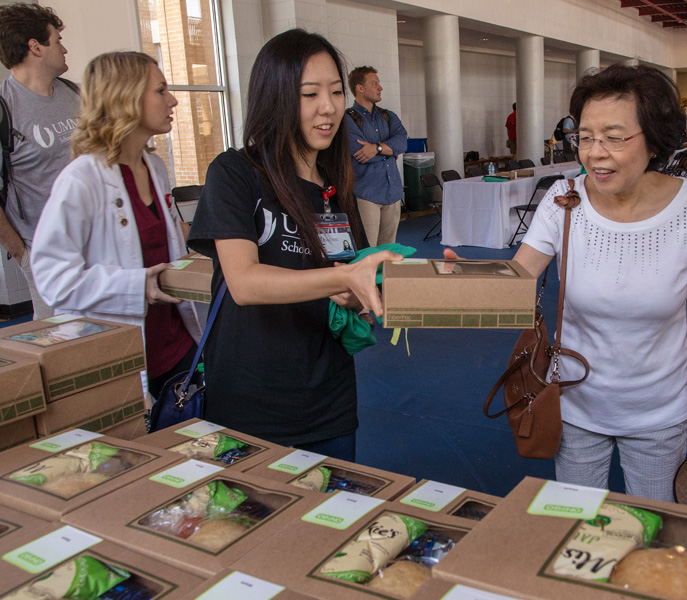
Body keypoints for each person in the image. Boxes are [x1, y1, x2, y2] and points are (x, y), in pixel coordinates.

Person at [450, 63, 687, 502]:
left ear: (653, 140)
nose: (595, 152)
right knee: (575, 526)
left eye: (614, 136)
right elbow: (517, 276)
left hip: (658, 415)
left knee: (654, 529)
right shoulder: (563, 199)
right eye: (585, 137)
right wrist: (455, 279)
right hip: (574, 405)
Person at [187, 30, 400, 461]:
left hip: (329, 399)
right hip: (250, 400)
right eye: (310, 94)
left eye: (337, 92)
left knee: (331, 521)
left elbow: (345, 281)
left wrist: (363, 294)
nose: (329, 107)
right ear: (276, 97)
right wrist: (340, 278)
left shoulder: (336, 187)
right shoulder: (236, 173)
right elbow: (244, 282)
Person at [30, 52, 202, 400]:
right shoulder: (81, 179)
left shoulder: (154, 167)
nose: (173, 99)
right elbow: (52, 279)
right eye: (161, 90)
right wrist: (135, 285)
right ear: (127, 99)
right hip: (122, 351)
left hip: (175, 345)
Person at [0, 3, 80, 319]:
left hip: (99, 247)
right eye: (57, 40)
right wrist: (23, 255)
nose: (64, 48)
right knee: (65, 350)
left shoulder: (75, 94)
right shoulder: (5, 108)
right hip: (46, 258)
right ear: (35, 47)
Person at [345, 66, 407, 247]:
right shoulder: (348, 119)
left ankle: (384, 277)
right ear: (360, 88)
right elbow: (361, 154)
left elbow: (402, 143)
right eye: (374, 84)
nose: (380, 88)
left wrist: (377, 148)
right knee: (367, 249)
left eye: (379, 84)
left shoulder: (388, 116)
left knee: (388, 248)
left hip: (392, 192)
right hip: (367, 194)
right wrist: (389, 151)